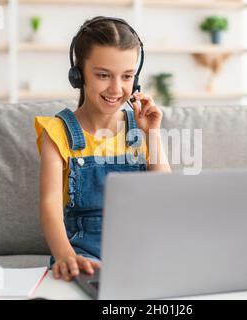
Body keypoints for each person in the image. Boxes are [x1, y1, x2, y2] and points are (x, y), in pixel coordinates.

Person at [34, 16, 171, 282]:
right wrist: (64, 255)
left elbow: (165, 195)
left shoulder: (142, 128)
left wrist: (151, 134)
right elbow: (49, 203)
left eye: (127, 76)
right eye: (103, 75)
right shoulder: (57, 131)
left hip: (141, 248)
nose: (116, 88)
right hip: (85, 254)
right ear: (78, 75)